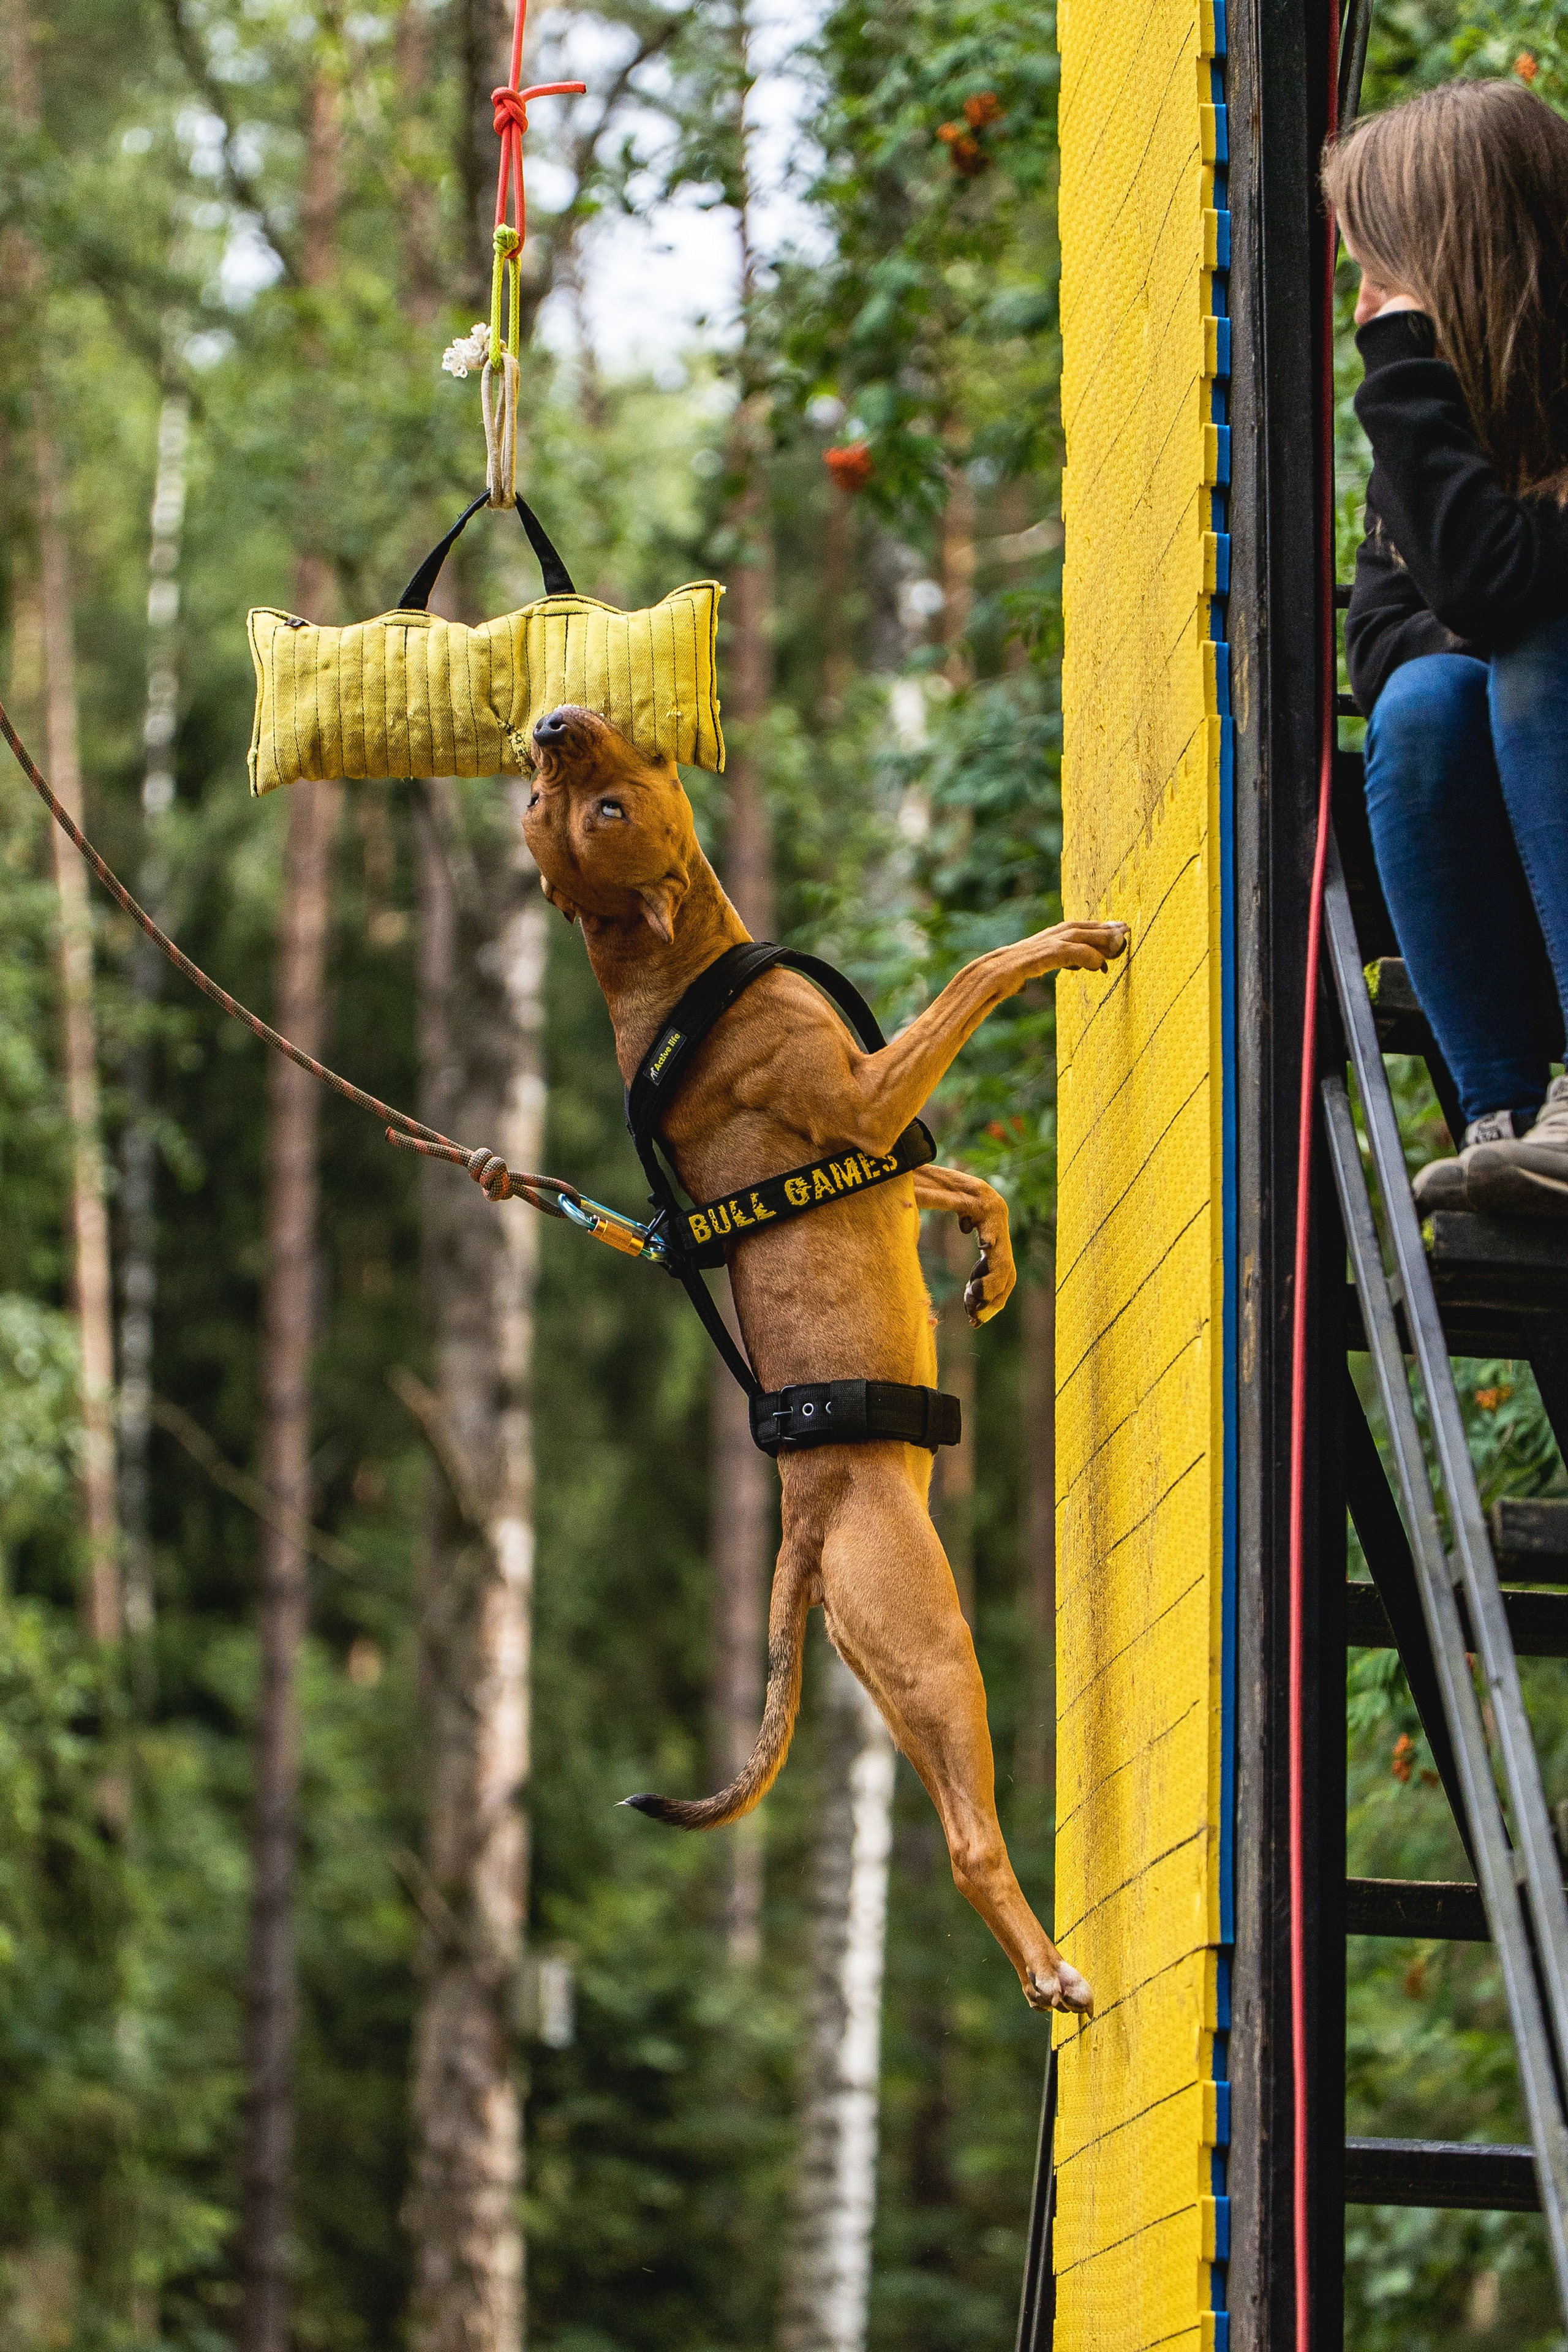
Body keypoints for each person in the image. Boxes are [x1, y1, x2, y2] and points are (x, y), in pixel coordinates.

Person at [1323, 79, 1568, 1215]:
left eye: (1382, 272)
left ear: (1457, 255)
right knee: (1424, 702)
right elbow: (1382, 645)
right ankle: (1506, 1115)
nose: (1367, 309)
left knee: (1537, 659)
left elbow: (1493, 594)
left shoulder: (1424, 397)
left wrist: (1403, 369)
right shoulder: (1437, 439)